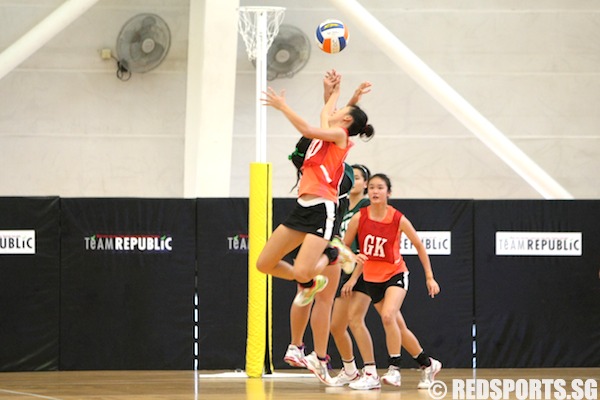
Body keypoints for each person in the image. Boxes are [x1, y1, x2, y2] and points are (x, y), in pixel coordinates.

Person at [257, 70, 374, 383]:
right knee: (264, 263)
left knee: (304, 273)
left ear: (346, 123)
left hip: (323, 208)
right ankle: (315, 279)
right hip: (302, 206)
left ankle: (334, 257)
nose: (333, 114)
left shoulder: (340, 136)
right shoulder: (332, 129)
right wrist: (334, 90)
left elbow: (313, 125)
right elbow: (327, 112)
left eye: (341, 114)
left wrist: (282, 106)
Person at [342, 173, 442, 390]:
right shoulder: (359, 217)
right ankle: (428, 364)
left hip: (395, 274)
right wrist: (352, 259)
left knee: (388, 316)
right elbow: (342, 247)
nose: (375, 191)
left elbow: (419, 246)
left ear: (389, 192)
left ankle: (394, 369)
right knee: (399, 327)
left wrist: (429, 277)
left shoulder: (397, 218)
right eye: (372, 188)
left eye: (380, 188)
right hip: (371, 278)